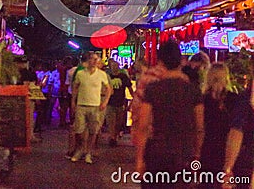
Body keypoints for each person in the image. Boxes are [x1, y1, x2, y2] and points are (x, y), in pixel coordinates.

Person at [135, 40, 204, 188]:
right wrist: (197, 155)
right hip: (183, 152)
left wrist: (140, 158)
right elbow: (199, 127)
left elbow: (143, 125)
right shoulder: (193, 90)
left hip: (157, 151)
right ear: (180, 61)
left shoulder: (153, 89)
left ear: (161, 61)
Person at [200, 62, 251, 189]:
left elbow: (199, 127)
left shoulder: (203, 100)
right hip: (227, 148)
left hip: (207, 149)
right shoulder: (235, 99)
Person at [71, 52, 112, 164]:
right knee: (79, 130)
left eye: (96, 59)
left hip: (95, 106)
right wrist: (73, 102)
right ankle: (80, 149)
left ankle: (88, 152)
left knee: (93, 131)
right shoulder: (80, 73)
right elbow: (75, 88)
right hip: (82, 104)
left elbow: (108, 89)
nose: (94, 61)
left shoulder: (102, 74)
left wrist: (105, 102)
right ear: (88, 60)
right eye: (92, 59)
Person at [106, 60, 134, 147]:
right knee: (111, 121)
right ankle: (112, 138)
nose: (114, 68)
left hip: (120, 102)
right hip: (110, 102)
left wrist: (133, 97)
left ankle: (115, 135)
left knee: (118, 122)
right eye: (112, 66)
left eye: (115, 66)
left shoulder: (123, 76)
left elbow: (129, 87)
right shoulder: (108, 77)